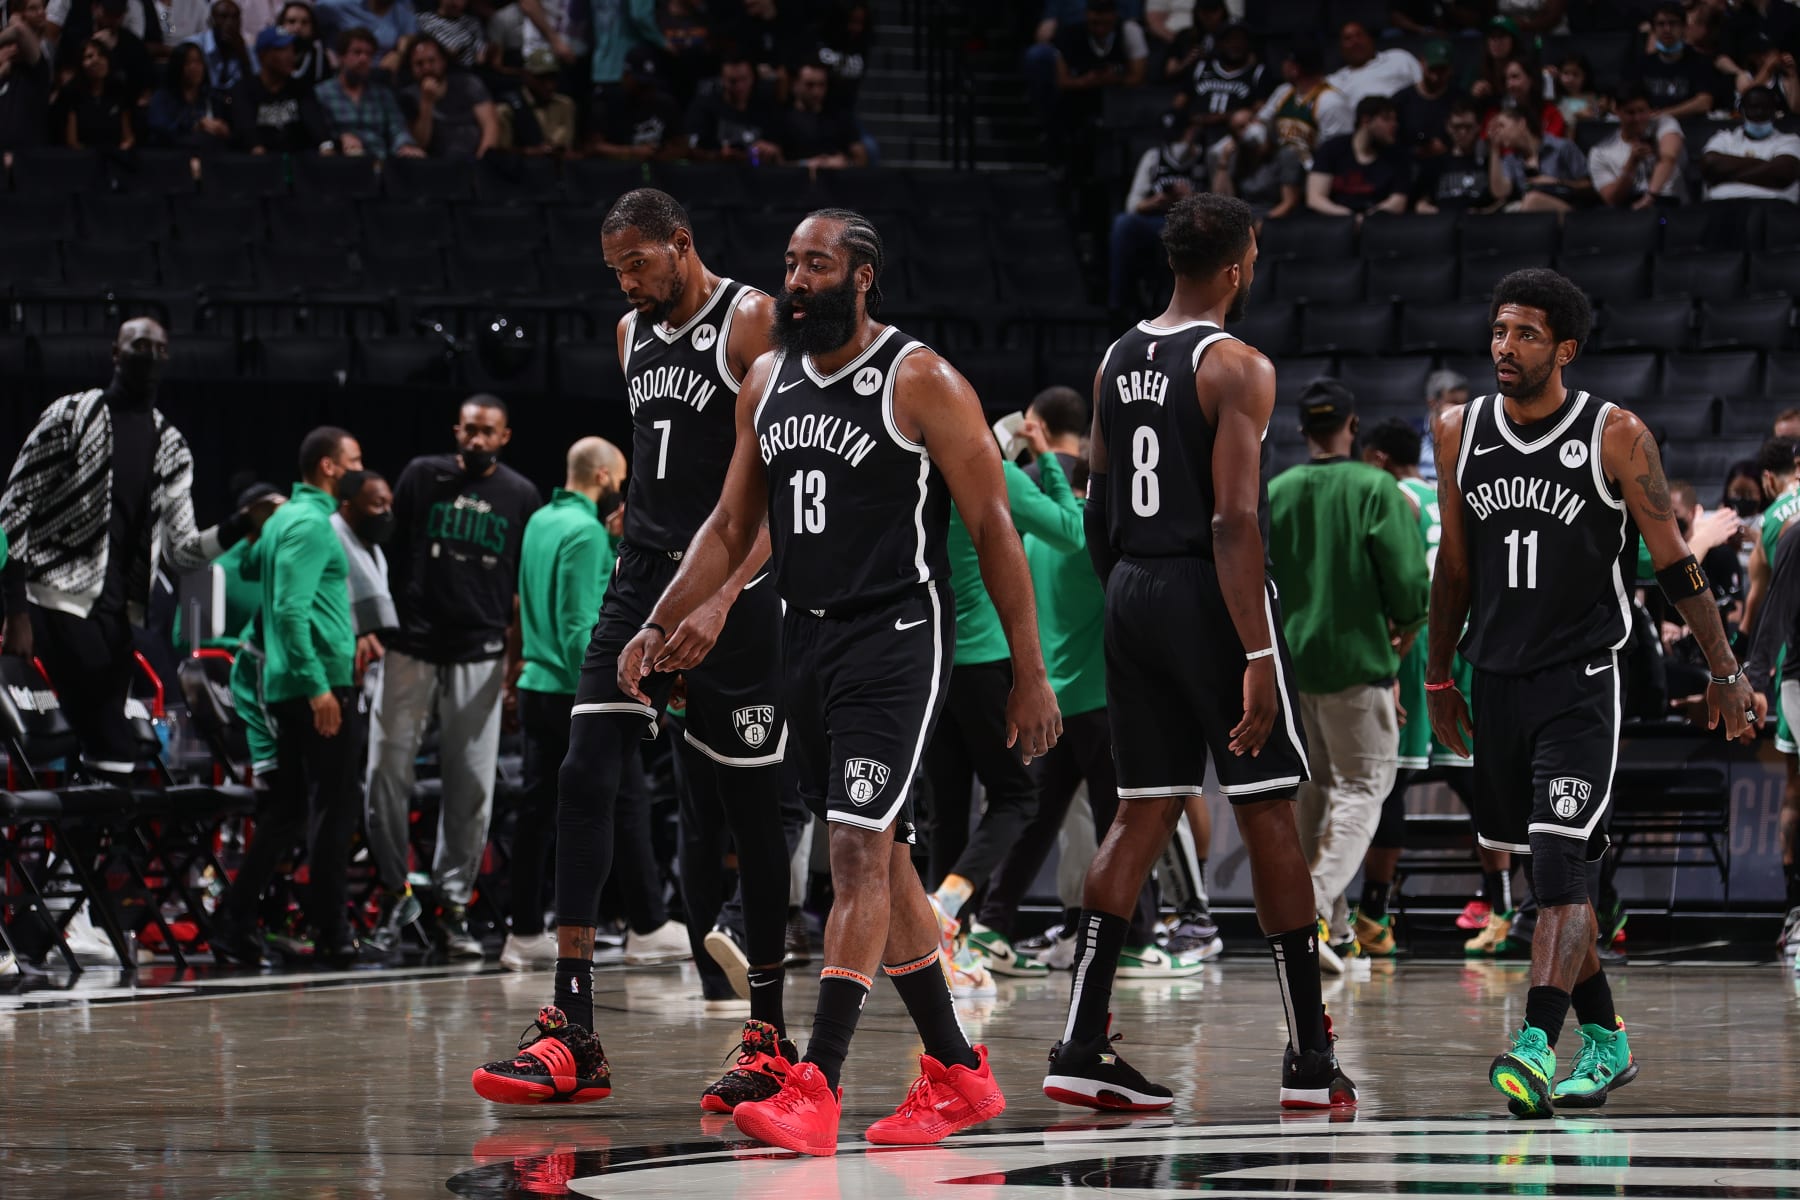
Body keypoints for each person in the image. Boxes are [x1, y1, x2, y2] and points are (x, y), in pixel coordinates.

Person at [617, 207, 1059, 1156]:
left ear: (864, 276)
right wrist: (659, 619)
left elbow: (993, 529)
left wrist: (1029, 670)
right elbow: (731, 526)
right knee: (886, 859)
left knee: (853, 854)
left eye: (817, 265)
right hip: (801, 639)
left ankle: (817, 1083)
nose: (797, 279)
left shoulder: (922, 379)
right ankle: (958, 1072)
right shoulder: (767, 379)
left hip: (896, 634)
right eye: (789, 263)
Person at [468, 190, 793, 1114]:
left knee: (745, 810)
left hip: (740, 578)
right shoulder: (628, 334)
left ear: (680, 246)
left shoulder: (751, 321)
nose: (626, 284)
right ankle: (573, 1027)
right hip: (644, 568)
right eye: (615, 271)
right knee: (582, 770)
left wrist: (725, 597)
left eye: (637, 266)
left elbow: (776, 481)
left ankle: (767, 1030)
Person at [1042, 193, 1353, 1115]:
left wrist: (1126, 597)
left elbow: (1099, 501)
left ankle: (1081, 1042)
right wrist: (1256, 646)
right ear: (1235, 266)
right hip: (1209, 594)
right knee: (1267, 813)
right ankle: (1308, 1060)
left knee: (1139, 812)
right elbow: (1232, 520)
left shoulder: (1115, 356)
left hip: (1131, 586)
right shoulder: (1238, 366)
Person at [1427, 267, 1761, 1116]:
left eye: (1527, 334)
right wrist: (1437, 673)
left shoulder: (1616, 435)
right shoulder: (1456, 429)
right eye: (1500, 330)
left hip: (1580, 681)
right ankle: (1607, 1045)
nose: (1505, 346)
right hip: (1493, 678)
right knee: (1545, 866)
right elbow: (1455, 566)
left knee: (1560, 869)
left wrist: (1725, 670)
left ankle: (1535, 1044)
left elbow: (1676, 564)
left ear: (1565, 348)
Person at [1, 319, 262, 780]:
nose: (152, 354)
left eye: (161, 348)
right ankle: (82, 850)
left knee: (114, 753)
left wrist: (240, 524)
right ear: (116, 354)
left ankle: (78, 853)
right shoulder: (72, 415)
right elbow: (13, 510)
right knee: (109, 741)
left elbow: (182, 553)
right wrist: (16, 610)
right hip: (52, 597)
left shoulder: (171, 445)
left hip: (117, 614)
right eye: (141, 345)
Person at [973, 387, 1172, 973]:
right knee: (1127, 822)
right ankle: (1136, 937)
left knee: (1037, 819)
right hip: (1101, 701)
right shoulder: (1096, 538)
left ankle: (993, 923)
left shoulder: (1034, 539)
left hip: (1052, 699)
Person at [924, 370, 1090, 996]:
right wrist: (1046, 461)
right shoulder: (996, 476)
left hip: (935, 661)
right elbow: (1070, 531)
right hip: (990, 661)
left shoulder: (926, 480)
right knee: (1016, 798)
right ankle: (948, 903)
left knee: (947, 813)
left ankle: (942, 950)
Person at [365, 395, 541, 959]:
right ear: (456, 429)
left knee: (471, 787)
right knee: (383, 776)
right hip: (411, 647)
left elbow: (522, 590)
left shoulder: (520, 495)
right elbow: (381, 553)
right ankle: (396, 890)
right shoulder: (422, 475)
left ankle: (453, 906)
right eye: (469, 430)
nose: (477, 440)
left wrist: (516, 665)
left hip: (481, 654)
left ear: (505, 436)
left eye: (488, 432)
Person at [1268, 381, 1430, 972]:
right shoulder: (1374, 487)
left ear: (1302, 431)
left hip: (1293, 665)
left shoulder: (1278, 490)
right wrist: (1411, 623)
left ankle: (1331, 934)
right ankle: (1309, 905)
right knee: (1364, 790)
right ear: (1352, 425)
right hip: (1359, 663)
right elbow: (1410, 580)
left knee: (1315, 793)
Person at [209, 428, 366, 966]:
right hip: (314, 685)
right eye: (353, 461)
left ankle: (233, 922)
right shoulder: (311, 525)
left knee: (289, 811)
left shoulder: (283, 521)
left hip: (293, 683)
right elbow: (289, 612)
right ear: (328, 467)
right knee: (334, 809)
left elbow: (254, 569)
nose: (359, 470)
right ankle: (332, 932)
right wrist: (320, 686)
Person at [502, 437, 626, 973]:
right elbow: (581, 626)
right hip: (567, 689)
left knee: (534, 815)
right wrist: (600, 690)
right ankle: (631, 922)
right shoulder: (585, 532)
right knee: (601, 811)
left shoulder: (538, 521)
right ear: (602, 476)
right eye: (618, 480)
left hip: (534, 681)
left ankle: (524, 928)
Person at [1350, 418, 1438, 957]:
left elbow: (1391, 583)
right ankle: (1511, 903)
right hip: (1447, 638)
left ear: (1378, 459)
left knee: (1385, 785)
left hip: (1400, 640)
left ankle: (1370, 917)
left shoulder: (1385, 496)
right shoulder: (1441, 499)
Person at [1110, 109, 1206, 311]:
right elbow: (1133, 205)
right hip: (1157, 219)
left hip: (1193, 224)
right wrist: (1156, 201)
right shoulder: (1154, 157)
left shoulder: (1207, 157)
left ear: (1191, 132)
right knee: (1123, 223)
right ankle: (1119, 304)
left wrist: (1191, 199)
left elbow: (1220, 204)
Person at [316, 25, 421, 157]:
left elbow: (397, 128)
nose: (363, 59)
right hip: (340, 162)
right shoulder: (322, 93)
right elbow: (318, 133)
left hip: (379, 161)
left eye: (369, 54)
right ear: (341, 57)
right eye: (357, 52)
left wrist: (405, 145)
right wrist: (338, 139)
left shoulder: (382, 94)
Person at [1306, 95, 1412, 217]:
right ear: (1366, 120)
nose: (1394, 124)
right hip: (1334, 222)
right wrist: (1349, 218)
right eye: (1386, 119)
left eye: (1395, 119)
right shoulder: (1332, 149)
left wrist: (1366, 220)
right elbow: (1315, 198)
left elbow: (1398, 202)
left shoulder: (1398, 156)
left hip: (1379, 224)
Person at [230, 24, 329, 152]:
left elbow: (317, 126)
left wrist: (327, 146)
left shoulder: (301, 87)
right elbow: (247, 133)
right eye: (283, 49)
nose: (291, 55)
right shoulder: (243, 89)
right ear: (263, 55)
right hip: (260, 165)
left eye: (292, 49)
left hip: (298, 164)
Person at [1589, 82, 1685, 209]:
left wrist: (1650, 197)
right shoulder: (1600, 152)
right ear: (1617, 111)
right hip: (1630, 211)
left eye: (1642, 111)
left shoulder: (1665, 123)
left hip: (1669, 205)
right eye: (1630, 113)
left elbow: (1669, 157)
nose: (1637, 118)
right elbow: (1611, 199)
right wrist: (1632, 163)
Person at [401, 33, 496, 158]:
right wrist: (426, 102)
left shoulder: (469, 83)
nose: (427, 67)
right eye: (419, 64)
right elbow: (420, 143)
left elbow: (490, 125)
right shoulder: (407, 96)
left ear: (443, 61)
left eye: (432, 61)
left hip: (476, 159)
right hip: (436, 164)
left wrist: (483, 160)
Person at [1700, 87, 1800, 204]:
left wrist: (1727, 177)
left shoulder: (1790, 140)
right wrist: (1768, 166)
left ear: (1774, 111)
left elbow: (1782, 172)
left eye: (1766, 108)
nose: (1759, 113)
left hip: (1772, 210)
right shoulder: (1724, 138)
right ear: (1742, 110)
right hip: (1722, 207)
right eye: (1753, 107)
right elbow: (1710, 164)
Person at [1486, 101, 1589, 213]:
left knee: (1533, 200)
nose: (1499, 132)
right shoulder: (1511, 159)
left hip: (1569, 212)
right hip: (1533, 218)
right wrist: (1494, 150)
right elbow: (1500, 192)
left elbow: (1588, 185)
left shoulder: (1562, 147)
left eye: (1502, 126)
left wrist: (1558, 182)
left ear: (1521, 123)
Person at [1257, 43, 1351, 163]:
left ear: (1294, 69)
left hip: (1315, 171)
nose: (1282, 65)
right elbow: (1260, 122)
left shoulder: (1330, 101)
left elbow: (1340, 153)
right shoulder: (1284, 92)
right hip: (1279, 163)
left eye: (1286, 61)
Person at [588, 43, 683, 160]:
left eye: (649, 84)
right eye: (640, 84)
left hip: (656, 172)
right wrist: (632, 152)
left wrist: (660, 157)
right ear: (625, 76)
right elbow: (594, 147)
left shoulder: (666, 103)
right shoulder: (608, 100)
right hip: (617, 172)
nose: (645, 90)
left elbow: (681, 145)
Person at [1208, 104, 1303, 219]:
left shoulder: (1285, 154)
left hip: (1274, 221)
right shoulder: (1238, 156)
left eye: (1252, 120)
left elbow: (1289, 202)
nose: (1251, 128)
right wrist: (1224, 159)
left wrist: (1263, 224)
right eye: (1242, 127)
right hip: (1243, 219)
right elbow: (1221, 200)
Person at [1630, 1, 1721, 120]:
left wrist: (1663, 115)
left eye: (1673, 23)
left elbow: (1704, 103)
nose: (1667, 29)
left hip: (1691, 129)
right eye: (1661, 24)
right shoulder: (1642, 64)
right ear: (1653, 29)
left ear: (1684, 27)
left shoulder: (1701, 62)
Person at [686, 52, 781, 162]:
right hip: (718, 173)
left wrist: (772, 150)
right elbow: (692, 150)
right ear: (722, 79)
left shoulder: (766, 108)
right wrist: (718, 155)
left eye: (744, 79)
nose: (740, 86)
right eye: (733, 81)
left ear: (753, 77)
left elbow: (779, 151)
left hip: (758, 173)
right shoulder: (704, 107)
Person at [777, 57, 866, 168]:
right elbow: (774, 165)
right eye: (810, 85)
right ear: (795, 84)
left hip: (836, 181)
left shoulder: (839, 116)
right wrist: (805, 165)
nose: (816, 92)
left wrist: (844, 163)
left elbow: (860, 157)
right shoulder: (782, 118)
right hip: (795, 182)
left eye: (821, 85)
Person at [1414, 99, 1493, 215]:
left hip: (1479, 227)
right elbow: (1421, 204)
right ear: (1448, 127)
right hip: (1442, 227)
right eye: (1457, 127)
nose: (1462, 132)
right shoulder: (1436, 164)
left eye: (1468, 127)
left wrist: (1483, 213)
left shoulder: (1488, 162)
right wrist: (1441, 214)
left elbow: (1501, 200)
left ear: (1478, 127)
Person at [149, 40, 231, 145]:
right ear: (178, 66)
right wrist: (195, 125)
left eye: (198, 62)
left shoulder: (212, 96)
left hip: (210, 153)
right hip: (173, 154)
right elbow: (160, 128)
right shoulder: (162, 97)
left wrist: (223, 129)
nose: (195, 68)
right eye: (188, 63)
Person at [1327, 19, 1421, 108]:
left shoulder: (1399, 57)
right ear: (1340, 48)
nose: (1355, 42)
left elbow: (1423, 89)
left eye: (1359, 35)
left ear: (1370, 39)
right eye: (1348, 38)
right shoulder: (1334, 82)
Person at [62, 36, 132, 147]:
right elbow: (72, 142)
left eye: (101, 55)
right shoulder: (71, 94)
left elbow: (128, 138)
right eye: (89, 56)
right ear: (80, 64)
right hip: (83, 159)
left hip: (115, 158)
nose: (96, 60)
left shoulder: (118, 91)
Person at [1395, 38, 1455, 157]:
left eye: (1442, 70)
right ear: (1422, 63)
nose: (1436, 77)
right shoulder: (1402, 100)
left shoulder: (1458, 99)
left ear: (1450, 69)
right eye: (1432, 70)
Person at [0, 19, 50, 155]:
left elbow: (19, 30)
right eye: (8, 44)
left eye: (17, 44)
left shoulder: (35, 72)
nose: (14, 48)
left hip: (27, 162)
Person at [187, 0, 250, 100]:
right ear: (211, 21)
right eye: (223, 17)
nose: (230, 23)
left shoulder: (244, 47)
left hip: (233, 103)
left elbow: (254, 87)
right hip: (201, 102)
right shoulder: (194, 46)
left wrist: (243, 55)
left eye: (235, 17)